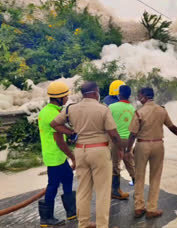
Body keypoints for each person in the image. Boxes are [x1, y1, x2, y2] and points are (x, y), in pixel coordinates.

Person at [51, 81, 122, 228]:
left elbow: (54, 124)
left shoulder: (71, 108)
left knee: (83, 190)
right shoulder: (103, 109)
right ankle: (102, 225)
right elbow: (113, 134)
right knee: (102, 191)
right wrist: (122, 149)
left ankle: (83, 224)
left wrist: (71, 132)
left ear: (83, 94)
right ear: (96, 93)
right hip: (99, 151)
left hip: (80, 151)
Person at [125, 87, 177, 219]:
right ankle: (151, 209)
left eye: (139, 95)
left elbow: (132, 134)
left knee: (139, 176)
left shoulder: (139, 113)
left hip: (142, 144)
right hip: (158, 145)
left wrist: (128, 150)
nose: (138, 97)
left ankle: (139, 208)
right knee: (155, 177)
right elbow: (172, 127)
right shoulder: (162, 110)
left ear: (144, 96)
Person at [37, 81, 76, 227]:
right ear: (59, 98)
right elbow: (59, 139)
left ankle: (71, 213)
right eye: (65, 96)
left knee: (68, 177)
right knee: (53, 185)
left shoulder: (48, 110)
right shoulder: (52, 114)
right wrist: (72, 155)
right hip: (55, 155)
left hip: (57, 155)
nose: (67, 98)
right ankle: (46, 218)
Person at [108, 85, 136, 199]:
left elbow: (107, 124)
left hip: (116, 140)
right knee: (129, 162)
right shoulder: (133, 109)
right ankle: (138, 187)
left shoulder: (111, 107)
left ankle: (115, 191)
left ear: (119, 94)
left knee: (115, 165)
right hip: (129, 140)